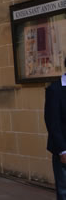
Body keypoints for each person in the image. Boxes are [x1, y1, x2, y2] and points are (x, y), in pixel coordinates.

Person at [45, 59, 66, 199]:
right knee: (64, 191)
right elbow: (53, 122)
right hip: (63, 151)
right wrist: (62, 150)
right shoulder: (54, 89)